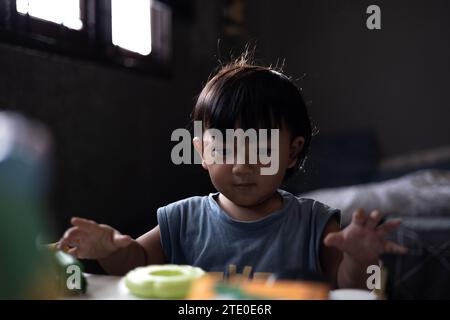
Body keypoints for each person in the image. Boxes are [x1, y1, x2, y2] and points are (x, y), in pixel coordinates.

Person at [58, 59, 407, 289]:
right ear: (202, 153)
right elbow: (136, 266)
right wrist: (110, 250)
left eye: (260, 148)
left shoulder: (313, 223)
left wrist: (360, 258)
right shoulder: (182, 219)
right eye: (224, 149)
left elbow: (351, 290)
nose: (241, 166)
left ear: (292, 152)